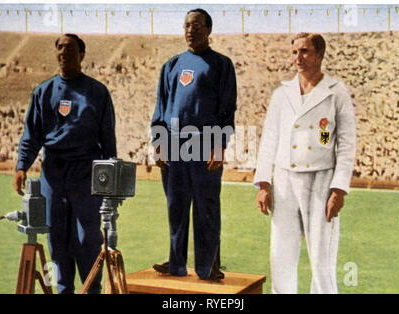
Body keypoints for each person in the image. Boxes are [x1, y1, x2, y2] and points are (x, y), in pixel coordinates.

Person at [14, 34, 117, 294]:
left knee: (87, 238)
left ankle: (91, 289)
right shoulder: (43, 91)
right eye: (59, 48)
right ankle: (62, 291)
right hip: (53, 172)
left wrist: (110, 176)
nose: (63, 52)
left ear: (82, 54)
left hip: (86, 170)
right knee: (56, 239)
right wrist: (21, 166)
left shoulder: (96, 91)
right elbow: (32, 134)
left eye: (70, 48)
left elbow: (108, 137)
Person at [254, 33, 356, 294]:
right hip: (285, 182)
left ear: (320, 55)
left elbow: (346, 143)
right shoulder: (281, 94)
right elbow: (269, 140)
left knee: (322, 260)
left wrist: (339, 189)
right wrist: (264, 183)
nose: (298, 58)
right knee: (281, 257)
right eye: (295, 52)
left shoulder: (336, 91)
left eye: (305, 51)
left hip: (321, 181)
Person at [150, 8, 237, 281]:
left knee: (206, 207)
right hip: (174, 144)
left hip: (205, 142)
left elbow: (227, 110)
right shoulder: (171, 65)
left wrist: (219, 145)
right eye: (187, 25)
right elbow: (161, 108)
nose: (191, 30)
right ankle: (176, 263)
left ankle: (207, 265)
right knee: (176, 206)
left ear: (209, 30)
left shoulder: (221, 65)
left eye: (197, 25)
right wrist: (159, 141)